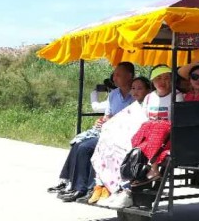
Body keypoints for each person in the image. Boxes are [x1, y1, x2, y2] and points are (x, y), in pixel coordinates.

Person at [55, 61, 137, 202]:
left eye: (118, 75)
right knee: (78, 144)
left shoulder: (136, 93)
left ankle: (87, 188)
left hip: (123, 135)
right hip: (110, 132)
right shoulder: (113, 95)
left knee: (86, 148)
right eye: (114, 75)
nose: (114, 78)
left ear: (129, 76)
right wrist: (102, 121)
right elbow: (108, 116)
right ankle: (76, 187)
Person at [100, 65, 180, 209]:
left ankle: (153, 169)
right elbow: (142, 118)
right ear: (153, 81)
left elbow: (178, 120)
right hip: (150, 138)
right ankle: (125, 189)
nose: (163, 81)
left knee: (159, 127)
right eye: (158, 78)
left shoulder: (177, 96)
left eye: (167, 78)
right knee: (134, 145)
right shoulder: (150, 98)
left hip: (170, 137)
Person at [87, 76, 151, 204]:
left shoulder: (149, 105)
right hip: (124, 133)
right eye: (133, 88)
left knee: (123, 150)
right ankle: (102, 185)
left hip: (138, 136)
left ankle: (119, 187)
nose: (136, 91)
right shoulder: (132, 104)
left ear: (148, 90)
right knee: (105, 145)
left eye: (140, 88)